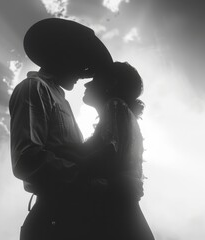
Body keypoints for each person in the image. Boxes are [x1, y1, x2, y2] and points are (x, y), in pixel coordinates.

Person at [9, 18, 112, 240]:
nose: (83, 72)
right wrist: (86, 175)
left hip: (68, 216)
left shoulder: (59, 98)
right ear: (63, 57)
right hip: (53, 220)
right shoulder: (33, 88)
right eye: (80, 63)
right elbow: (26, 159)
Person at [50, 62, 155, 240]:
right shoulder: (119, 114)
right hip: (123, 214)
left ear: (111, 83)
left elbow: (107, 156)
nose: (86, 84)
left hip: (118, 216)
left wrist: (64, 154)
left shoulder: (115, 105)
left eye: (94, 80)